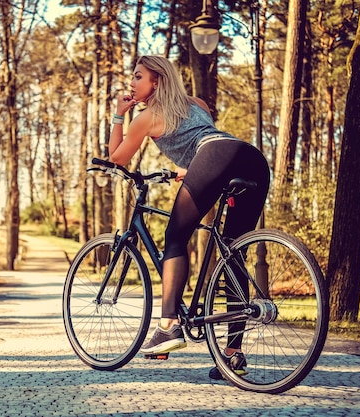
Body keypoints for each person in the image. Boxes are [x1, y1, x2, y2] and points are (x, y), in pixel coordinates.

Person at [108, 55, 270, 379]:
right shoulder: (195, 102)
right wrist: (191, 170)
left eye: (138, 77)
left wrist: (118, 115)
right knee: (234, 252)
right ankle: (233, 354)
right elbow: (200, 136)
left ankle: (168, 326)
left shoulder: (146, 116)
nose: (131, 82)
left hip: (214, 157)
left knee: (175, 237)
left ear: (156, 82)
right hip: (250, 158)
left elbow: (117, 159)